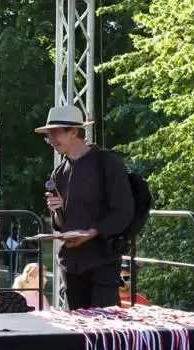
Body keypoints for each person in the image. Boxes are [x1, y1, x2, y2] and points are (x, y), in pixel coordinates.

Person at [38, 105, 134, 310]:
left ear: (74, 131)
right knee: (78, 327)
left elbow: (124, 211)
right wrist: (56, 210)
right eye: (48, 135)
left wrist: (92, 233)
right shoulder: (58, 173)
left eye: (55, 133)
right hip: (71, 265)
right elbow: (60, 225)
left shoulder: (107, 163)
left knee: (105, 324)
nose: (51, 140)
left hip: (102, 261)